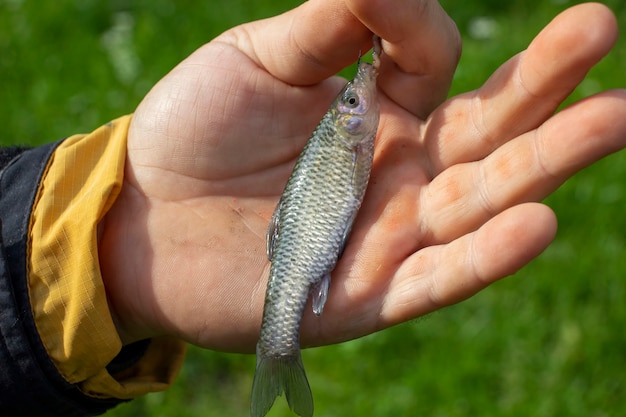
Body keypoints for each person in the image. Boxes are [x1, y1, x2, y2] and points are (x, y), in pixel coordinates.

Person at [1, 0, 624, 415]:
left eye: (352, 104)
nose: (360, 104)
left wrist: (106, 250)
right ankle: (281, 356)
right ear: (347, 129)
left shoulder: (351, 139)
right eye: (352, 107)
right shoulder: (345, 139)